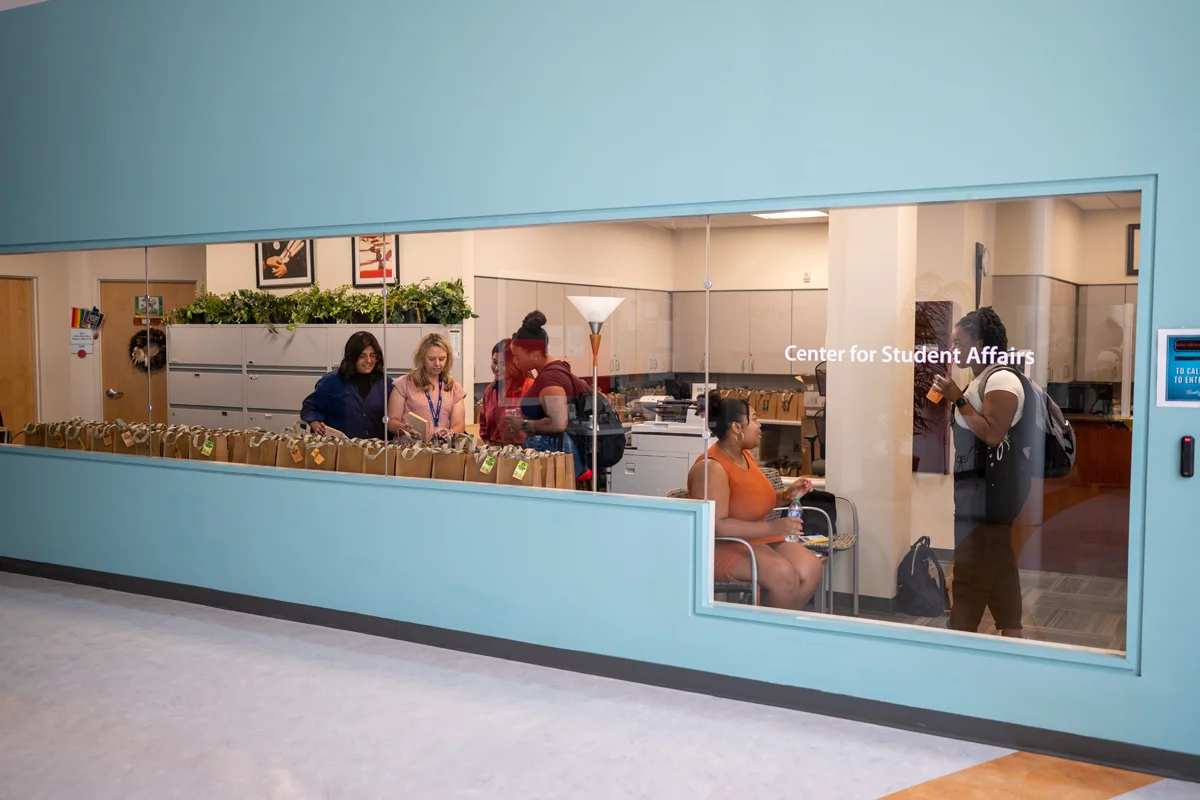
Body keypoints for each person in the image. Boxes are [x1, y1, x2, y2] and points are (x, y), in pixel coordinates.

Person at [932, 307, 1028, 638]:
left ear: (981, 341)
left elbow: (991, 433)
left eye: (959, 342)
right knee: (999, 565)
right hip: (977, 490)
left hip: (990, 493)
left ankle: (962, 633)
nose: (953, 349)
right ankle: (1011, 634)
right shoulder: (980, 378)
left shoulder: (1001, 378)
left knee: (971, 567)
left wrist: (958, 399)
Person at [686, 391, 824, 610]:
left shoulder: (744, 455)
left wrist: (789, 494)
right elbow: (717, 526)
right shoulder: (711, 467)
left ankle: (776, 625)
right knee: (784, 575)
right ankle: (766, 636)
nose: (760, 426)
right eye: (755, 419)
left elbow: (756, 501)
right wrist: (771, 527)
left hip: (756, 537)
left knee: (811, 568)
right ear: (736, 428)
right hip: (722, 544)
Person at [502, 311, 587, 480]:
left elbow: (558, 424)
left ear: (534, 354)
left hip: (552, 456)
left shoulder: (550, 379)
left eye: (517, 357)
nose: (516, 362)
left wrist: (524, 424)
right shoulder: (557, 368)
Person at [300, 331, 386, 439]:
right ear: (352, 357)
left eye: (373, 356)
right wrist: (315, 424)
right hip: (341, 449)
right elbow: (310, 407)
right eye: (362, 356)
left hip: (376, 451)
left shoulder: (385, 383)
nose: (369, 360)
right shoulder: (331, 381)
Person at [387, 332, 467, 441]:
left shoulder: (454, 388)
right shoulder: (404, 384)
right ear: (422, 358)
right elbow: (391, 422)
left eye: (442, 359)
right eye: (432, 359)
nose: (437, 364)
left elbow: (459, 425)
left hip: (442, 452)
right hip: (408, 452)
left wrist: (450, 432)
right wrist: (403, 428)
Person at [478, 338, 534, 446]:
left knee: (521, 464)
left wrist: (523, 424)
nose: (497, 368)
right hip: (494, 451)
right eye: (494, 362)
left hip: (524, 452)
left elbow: (546, 425)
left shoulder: (530, 387)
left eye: (504, 364)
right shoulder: (490, 391)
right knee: (482, 464)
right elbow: (483, 428)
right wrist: (490, 448)